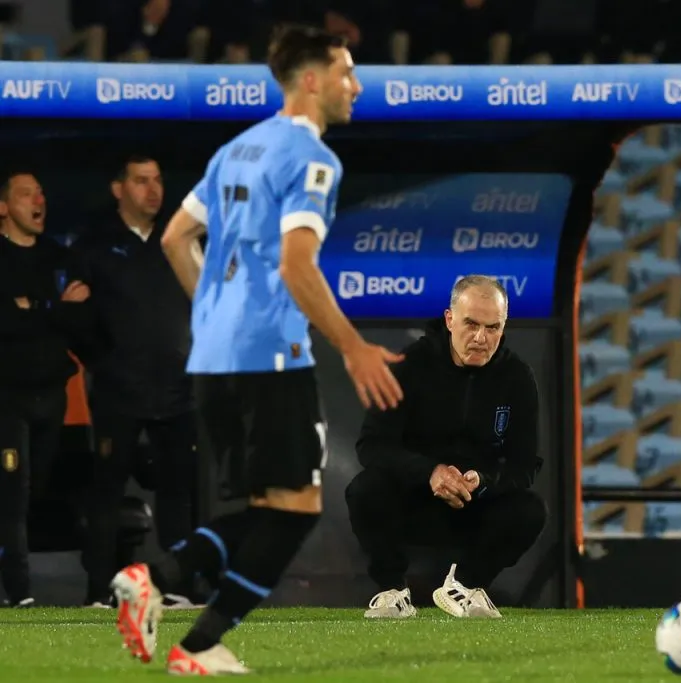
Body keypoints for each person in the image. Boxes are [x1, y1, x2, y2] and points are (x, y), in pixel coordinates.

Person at [108, 25, 405, 675]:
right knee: (296, 512)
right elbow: (299, 263)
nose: (356, 84)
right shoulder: (313, 158)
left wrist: (215, 315)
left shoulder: (237, 149)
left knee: (270, 509)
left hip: (213, 357)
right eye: (346, 71)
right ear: (311, 80)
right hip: (270, 355)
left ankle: (166, 596)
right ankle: (185, 623)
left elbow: (175, 237)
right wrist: (353, 346)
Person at [346, 275, 547, 620]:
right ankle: (392, 591)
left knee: (530, 510)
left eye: (493, 327)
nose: (481, 338)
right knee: (365, 489)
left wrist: (483, 480)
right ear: (450, 319)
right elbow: (372, 446)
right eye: (471, 324)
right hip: (413, 499)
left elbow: (525, 464)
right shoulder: (407, 366)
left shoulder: (517, 377)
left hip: (475, 505)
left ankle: (464, 587)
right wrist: (429, 473)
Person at [75, 155, 199, 609]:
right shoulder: (94, 245)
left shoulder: (177, 240)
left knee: (178, 496)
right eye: (141, 181)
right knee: (107, 493)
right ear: (118, 189)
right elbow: (75, 316)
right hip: (117, 393)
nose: (152, 190)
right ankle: (99, 592)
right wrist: (105, 361)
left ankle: (177, 587)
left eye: (158, 181)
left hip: (177, 391)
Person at [0, 171, 99, 607]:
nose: (38, 200)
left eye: (41, 192)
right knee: (13, 495)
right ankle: (19, 595)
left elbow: (81, 319)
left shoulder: (59, 258)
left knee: (34, 491)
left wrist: (34, 310)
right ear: (3, 207)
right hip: (7, 397)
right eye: (26, 194)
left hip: (51, 396)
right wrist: (55, 310)